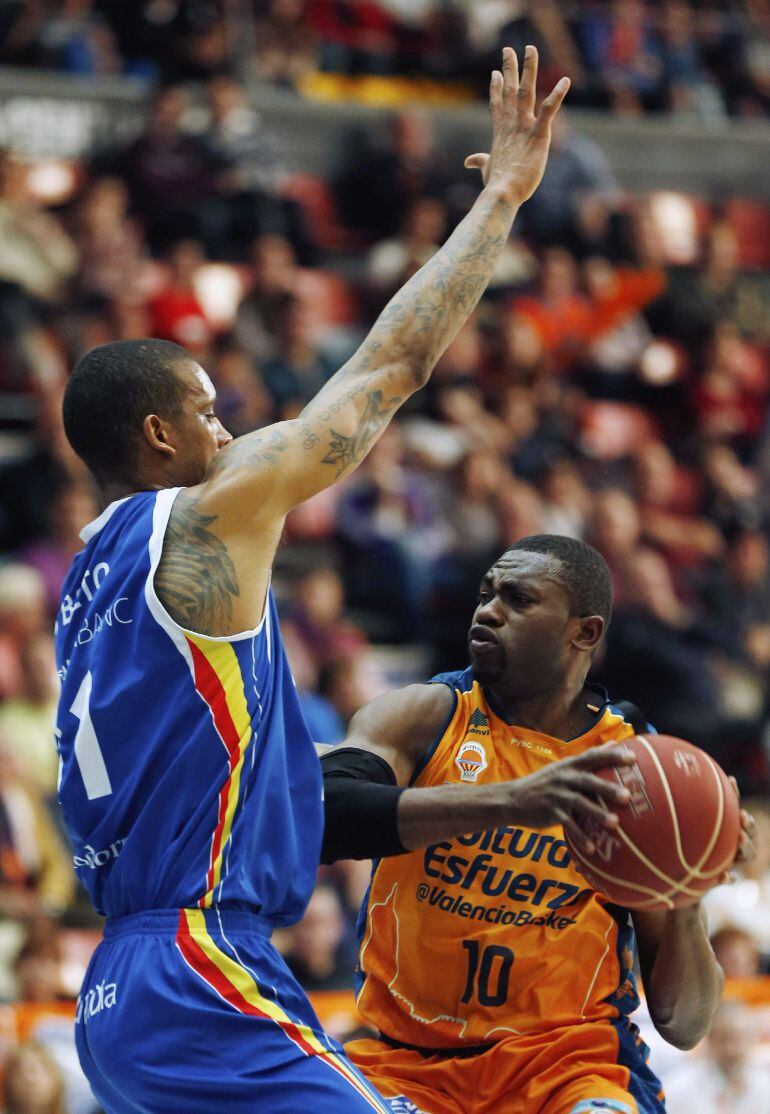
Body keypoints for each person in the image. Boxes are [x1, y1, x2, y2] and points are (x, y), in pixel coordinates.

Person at [53, 46, 572, 1114]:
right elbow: (388, 369)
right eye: (206, 411)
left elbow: (266, 781)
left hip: (115, 988)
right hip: (202, 964)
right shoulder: (202, 518)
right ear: (158, 435)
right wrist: (499, 202)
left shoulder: (83, 583)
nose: (229, 425)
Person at [320, 534, 754, 1114]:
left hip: (567, 1066)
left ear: (585, 633)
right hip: (407, 1061)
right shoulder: (425, 715)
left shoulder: (634, 769)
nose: (488, 610)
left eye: (518, 599)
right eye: (486, 594)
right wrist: (514, 801)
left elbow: (684, 1022)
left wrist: (687, 886)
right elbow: (326, 813)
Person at [664, 999, 770, 1114]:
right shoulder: (678, 1090)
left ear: (753, 1040)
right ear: (710, 1039)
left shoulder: (764, 1086)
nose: (734, 1050)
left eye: (742, 1040)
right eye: (725, 1039)